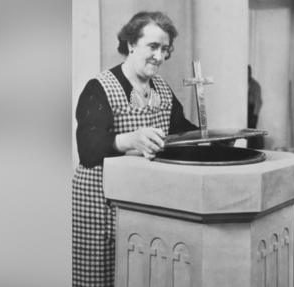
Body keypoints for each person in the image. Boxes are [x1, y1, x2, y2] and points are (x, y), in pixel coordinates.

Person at [72, 11, 197, 287]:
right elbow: (88, 148)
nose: (159, 56)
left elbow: (179, 130)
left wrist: (212, 138)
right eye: (152, 46)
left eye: (165, 49)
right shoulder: (99, 87)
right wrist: (131, 139)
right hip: (99, 206)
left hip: (141, 202)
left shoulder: (162, 90)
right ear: (130, 44)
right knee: (100, 279)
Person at [247, 65, 263, 149]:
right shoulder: (242, 83)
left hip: (252, 111)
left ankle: (252, 149)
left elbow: (258, 101)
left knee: (251, 132)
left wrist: (255, 115)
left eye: (248, 72)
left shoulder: (255, 85)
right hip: (244, 110)